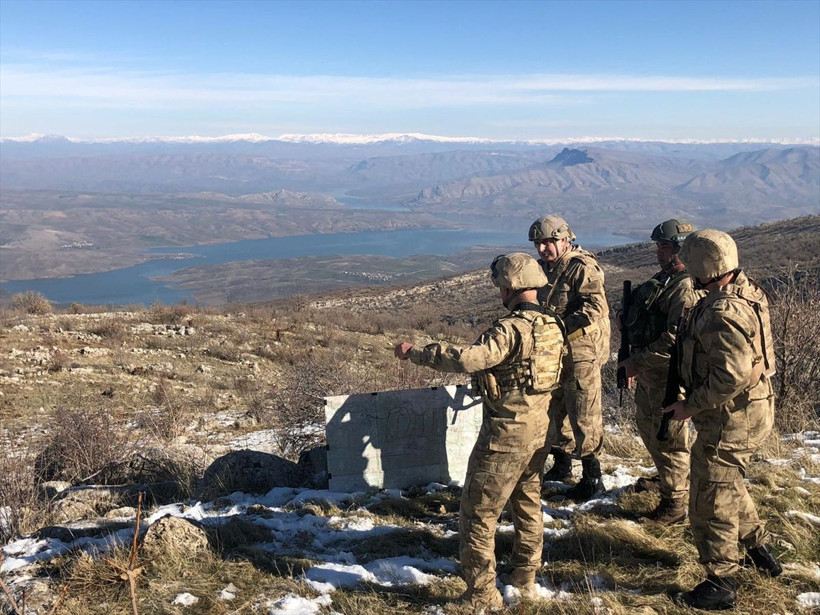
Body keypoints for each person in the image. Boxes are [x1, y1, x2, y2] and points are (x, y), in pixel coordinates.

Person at [395, 253, 566, 612]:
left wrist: (418, 353)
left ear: (508, 288)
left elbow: (468, 359)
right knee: (528, 502)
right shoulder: (553, 324)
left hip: (507, 433)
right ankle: (525, 577)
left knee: (477, 513)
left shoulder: (510, 329)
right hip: (540, 427)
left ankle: (481, 594)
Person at [663, 229, 782, 611]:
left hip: (732, 416)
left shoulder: (721, 310)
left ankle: (721, 580)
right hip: (752, 408)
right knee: (727, 481)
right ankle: (758, 549)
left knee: (710, 494)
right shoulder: (746, 290)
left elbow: (729, 376)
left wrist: (690, 406)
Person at [618, 219, 699, 523]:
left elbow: (674, 341)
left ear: (682, 249)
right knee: (649, 430)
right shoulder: (664, 279)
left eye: (665, 247)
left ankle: (675, 503)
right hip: (651, 375)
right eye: (659, 246)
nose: (660, 252)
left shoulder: (686, 288)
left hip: (670, 378)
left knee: (669, 440)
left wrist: (636, 362)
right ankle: (668, 478)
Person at [528, 215, 610, 500]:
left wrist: (557, 326)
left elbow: (594, 308)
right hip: (555, 352)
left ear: (564, 239)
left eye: (547, 243)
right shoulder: (545, 269)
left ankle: (592, 477)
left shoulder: (581, 267)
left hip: (580, 352)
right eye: (538, 244)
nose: (542, 249)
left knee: (583, 412)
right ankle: (562, 463)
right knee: (555, 409)